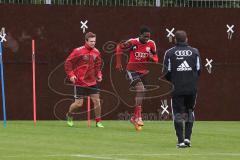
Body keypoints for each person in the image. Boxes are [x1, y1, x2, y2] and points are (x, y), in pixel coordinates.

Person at [163, 30, 201, 148]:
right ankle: (187, 139)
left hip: (177, 88)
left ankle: (180, 141)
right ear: (187, 39)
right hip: (191, 88)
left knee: (177, 113)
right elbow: (199, 70)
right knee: (190, 111)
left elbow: (166, 72)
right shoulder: (195, 52)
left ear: (175, 40)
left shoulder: (170, 52)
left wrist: (175, 80)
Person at [116, 26, 158, 130]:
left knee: (141, 92)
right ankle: (139, 117)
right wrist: (118, 62)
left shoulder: (151, 44)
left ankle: (134, 117)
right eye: (145, 37)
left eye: (148, 37)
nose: (147, 39)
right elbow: (119, 47)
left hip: (143, 72)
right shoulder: (132, 42)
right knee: (141, 89)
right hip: (132, 70)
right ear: (140, 35)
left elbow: (156, 58)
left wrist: (152, 58)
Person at [64, 32, 104, 128]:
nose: (93, 43)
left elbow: (98, 66)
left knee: (97, 102)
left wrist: (99, 74)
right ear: (86, 41)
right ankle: (69, 115)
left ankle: (98, 122)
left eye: (94, 41)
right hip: (80, 82)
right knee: (78, 104)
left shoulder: (96, 52)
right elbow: (68, 63)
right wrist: (71, 75)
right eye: (91, 41)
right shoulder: (78, 51)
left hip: (92, 82)